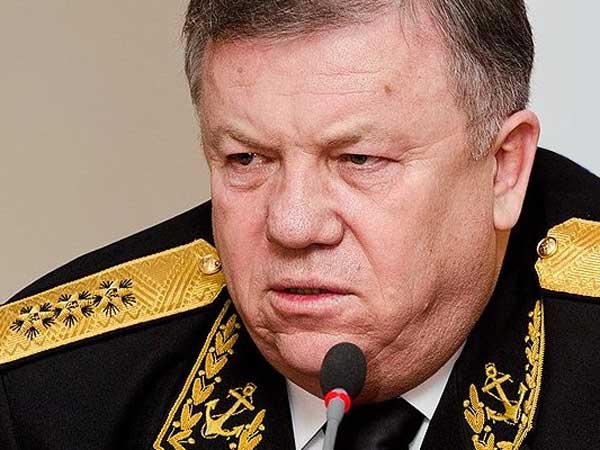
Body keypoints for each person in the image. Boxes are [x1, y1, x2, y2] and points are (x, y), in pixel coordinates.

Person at [1, 1, 599, 449]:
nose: (291, 225)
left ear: (503, 170)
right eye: (246, 159)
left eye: (358, 159)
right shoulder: (47, 395)